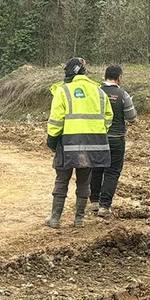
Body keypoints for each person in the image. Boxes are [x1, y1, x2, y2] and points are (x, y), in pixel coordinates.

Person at [45, 57, 113, 229]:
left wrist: (52, 140)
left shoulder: (63, 90)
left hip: (67, 143)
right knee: (84, 182)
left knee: (62, 180)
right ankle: (79, 220)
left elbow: (56, 120)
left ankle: (55, 219)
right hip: (92, 144)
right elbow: (108, 118)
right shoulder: (99, 92)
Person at [89, 64, 137, 217]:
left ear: (104, 77)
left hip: (97, 137)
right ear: (119, 78)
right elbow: (132, 118)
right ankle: (104, 206)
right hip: (116, 139)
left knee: (96, 169)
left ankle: (94, 202)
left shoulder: (95, 93)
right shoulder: (123, 95)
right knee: (113, 171)